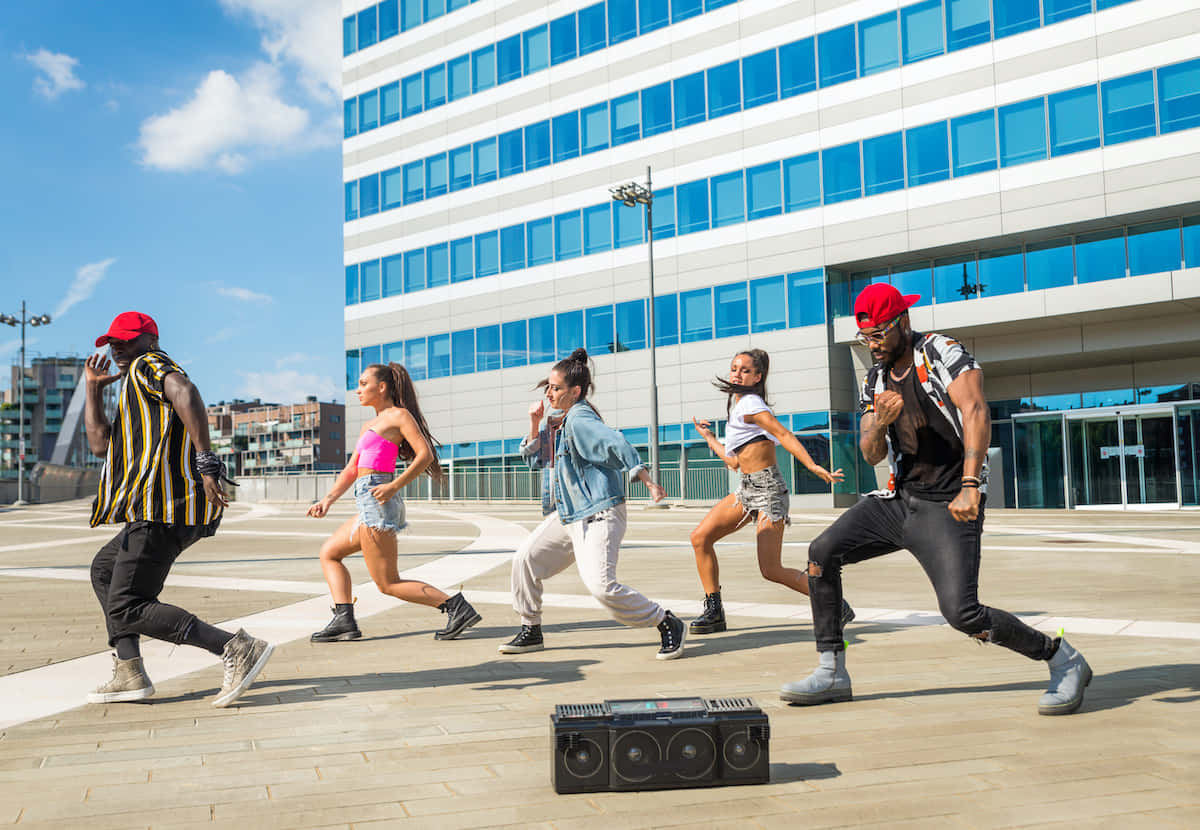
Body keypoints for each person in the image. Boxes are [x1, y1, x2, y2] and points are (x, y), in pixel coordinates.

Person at [781, 284, 1092, 715]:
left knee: (963, 613)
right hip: (898, 502)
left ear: (903, 323)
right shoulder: (875, 377)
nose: (872, 345)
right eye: (865, 337)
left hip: (949, 503)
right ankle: (831, 669)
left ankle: (1063, 659)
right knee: (821, 553)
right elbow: (871, 451)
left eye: (879, 334)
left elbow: (976, 410)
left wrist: (970, 485)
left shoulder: (941, 351)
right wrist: (878, 424)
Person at [85, 311, 273, 708]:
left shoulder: (149, 364)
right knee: (104, 571)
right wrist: (93, 390)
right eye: (113, 342)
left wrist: (206, 464)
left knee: (128, 603)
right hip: (160, 508)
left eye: (127, 340)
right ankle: (129, 670)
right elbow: (101, 446)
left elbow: (185, 391)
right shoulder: (134, 390)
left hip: (164, 506)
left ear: (150, 339)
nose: (118, 347)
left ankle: (235, 648)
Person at [499, 348, 685, 659]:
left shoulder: (580, 419)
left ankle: (665, 621)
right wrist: (534, 422)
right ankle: (531, 629)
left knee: (602, 587)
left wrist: (646, 478)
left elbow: (617, 443)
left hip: (599, 514)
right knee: (525, 560)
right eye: (548, 386)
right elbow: (535, 461)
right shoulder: (559, 422)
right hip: (571, 515)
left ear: (576, 391)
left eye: (556, 388)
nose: (549, 393)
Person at [306, 362, 481, 642]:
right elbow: (352, 469)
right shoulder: (369, 424)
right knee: (329, 553)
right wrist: (327, 500)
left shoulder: (399, 416)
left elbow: (425, 455)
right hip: (366, 500)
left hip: (379, 498)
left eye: (364, 383)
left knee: (388, 583)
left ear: (382, 387)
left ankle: (455, 607)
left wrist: (394, 486)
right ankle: (344, 620)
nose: (358, 389)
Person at [687, 349, 849, 635]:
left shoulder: (751, 403)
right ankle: (714, 612)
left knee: (771, 569)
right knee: (701, 538)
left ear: (757, 377)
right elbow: (735, 462)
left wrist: (812, 466)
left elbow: (784, 434)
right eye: (734, 367)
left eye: (745, 370)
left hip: (769, 490)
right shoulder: (739, 407)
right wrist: (710, 438)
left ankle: (834, 602)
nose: (737, 373)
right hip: (747, 488)